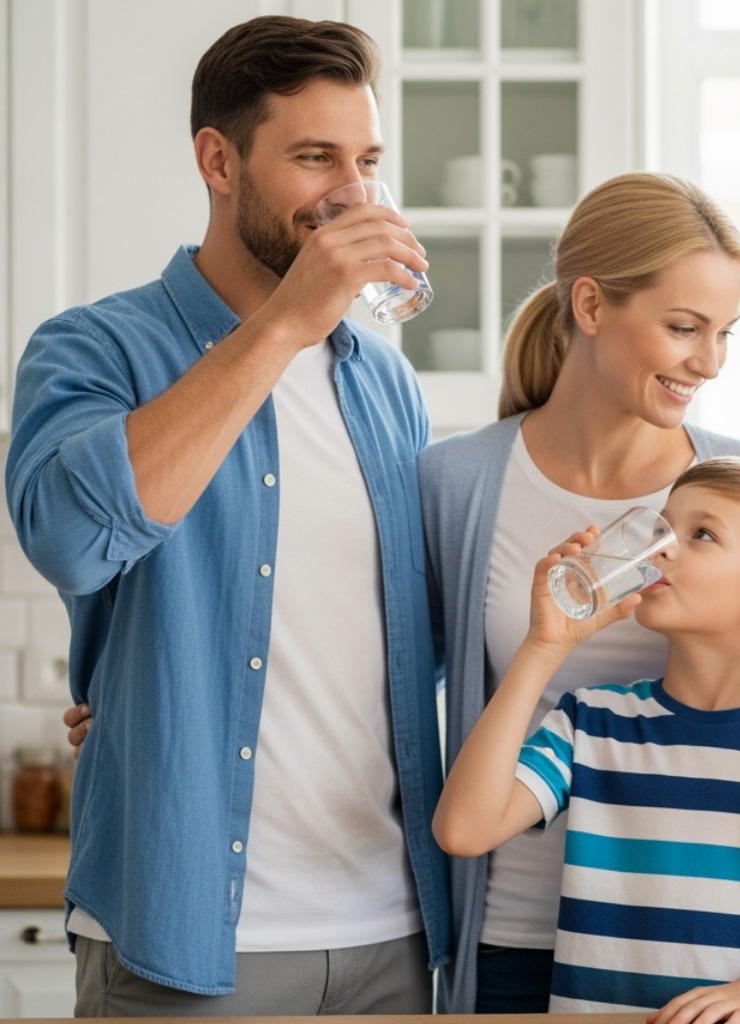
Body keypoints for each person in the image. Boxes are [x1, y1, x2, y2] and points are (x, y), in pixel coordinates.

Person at [5, 16, 446, 1014]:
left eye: (366, 159)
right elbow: (72, 542)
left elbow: (411, 636)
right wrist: (284, 322)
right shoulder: (92, 349)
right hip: (186, 928)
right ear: (218, 160)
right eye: (313, 157)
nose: (351, 191)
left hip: (394, 929)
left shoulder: (385, 378)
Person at [418, 170, 740, 1014]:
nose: (708, 362)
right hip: (519, 931)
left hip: (710, 950)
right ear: (589, 304)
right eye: (684, 328)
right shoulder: (455, 484)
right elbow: (380, 688)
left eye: (724, 334)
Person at [433, 455, 740, 1019]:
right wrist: (544, 646)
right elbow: (463, 830)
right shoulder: (593, 722)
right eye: (663, 526)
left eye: (701, 535)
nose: (661, 546)